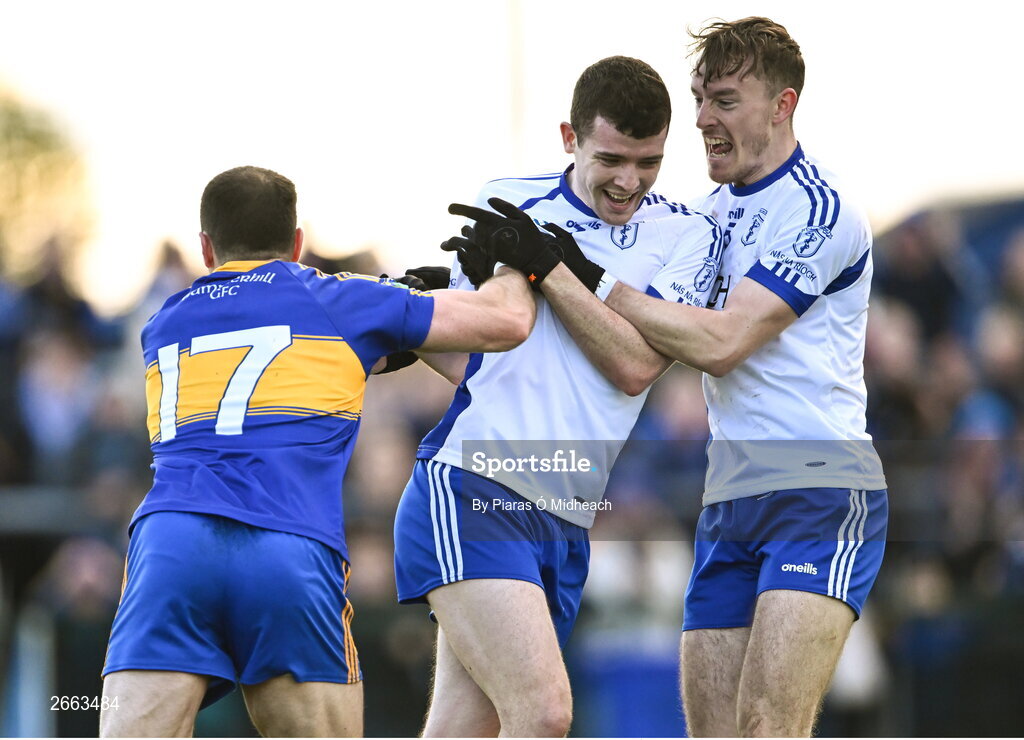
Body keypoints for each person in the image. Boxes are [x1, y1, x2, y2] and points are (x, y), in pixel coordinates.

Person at [466, 17, 886, 737]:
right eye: (699, 99)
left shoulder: (820, 209)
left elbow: (721, 343)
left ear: (781, 105)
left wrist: (574, 270)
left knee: (766, 725)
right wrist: (489, 295)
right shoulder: (710, 216)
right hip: (728, 496)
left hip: (818, 485)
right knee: (712, 731)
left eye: (724, 100)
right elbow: (635, 343)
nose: (701, 119)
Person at [99, 165, 536, 737]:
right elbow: (507, 322)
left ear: (206, 248)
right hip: (288, 546)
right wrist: (515, 264)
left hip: (171, 547)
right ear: (298, 243)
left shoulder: (162, 321)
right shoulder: (342, 300)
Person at [392, 56, 722, 736]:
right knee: (543, 714)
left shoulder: (689, 234)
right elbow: (476, 367)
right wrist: (413, 313)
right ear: (569, 138)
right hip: (474, 487)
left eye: (649, 161)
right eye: (612, 159)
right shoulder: (508, 201)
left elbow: (635, 366)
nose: (629, 181)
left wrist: (553, 269)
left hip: (568, 517)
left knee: (465, 728)